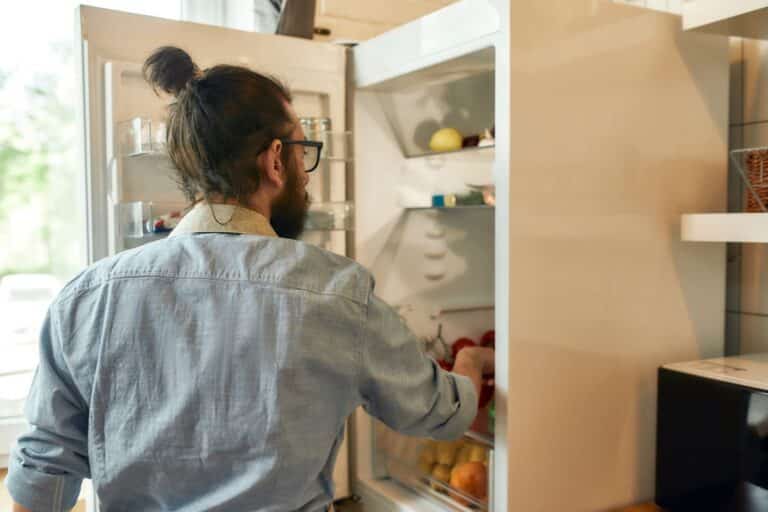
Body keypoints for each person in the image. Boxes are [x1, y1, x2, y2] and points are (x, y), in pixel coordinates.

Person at [6, 46, 494, 512]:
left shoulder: (88, 297)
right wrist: (470, 360)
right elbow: (441, 414)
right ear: (276, 159)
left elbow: (42, 475)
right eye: (304, 152)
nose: (306, 173)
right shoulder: (337, 293)